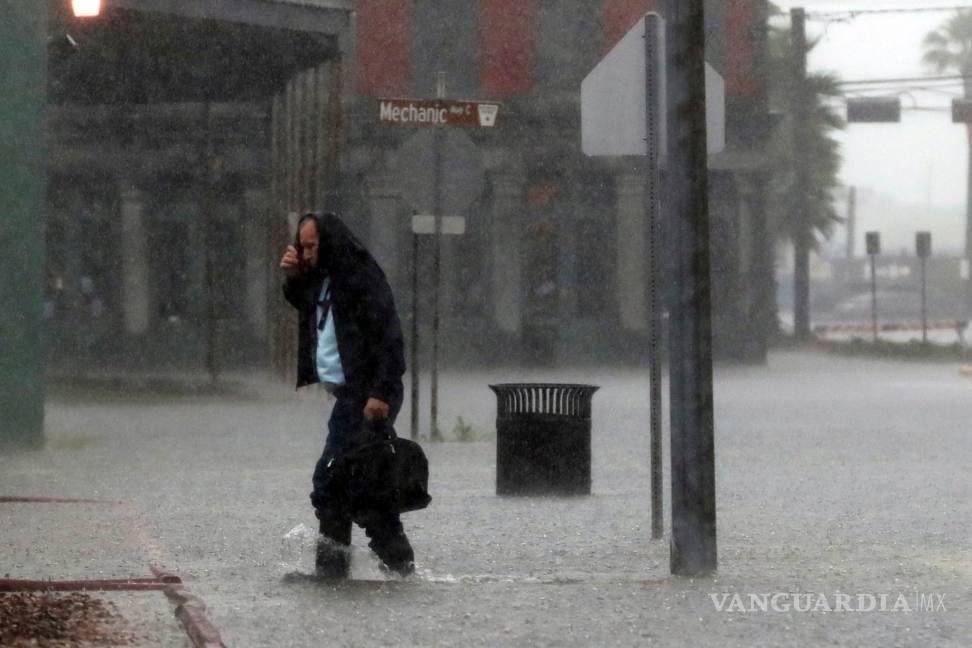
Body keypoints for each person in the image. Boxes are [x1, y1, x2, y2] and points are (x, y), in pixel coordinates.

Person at [280, 212, 413, 578]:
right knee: (360, 481)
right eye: (301, 246)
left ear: (329, 243)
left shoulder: (360, 277)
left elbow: (390, 337)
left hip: (368, 395)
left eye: (311, 246)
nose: (306, 253)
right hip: (350, 395)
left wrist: (381, 392)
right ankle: (389, 565)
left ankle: (338, 570)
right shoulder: (324, 277)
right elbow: (304, 301)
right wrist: (293, 275)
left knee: (332, 477)